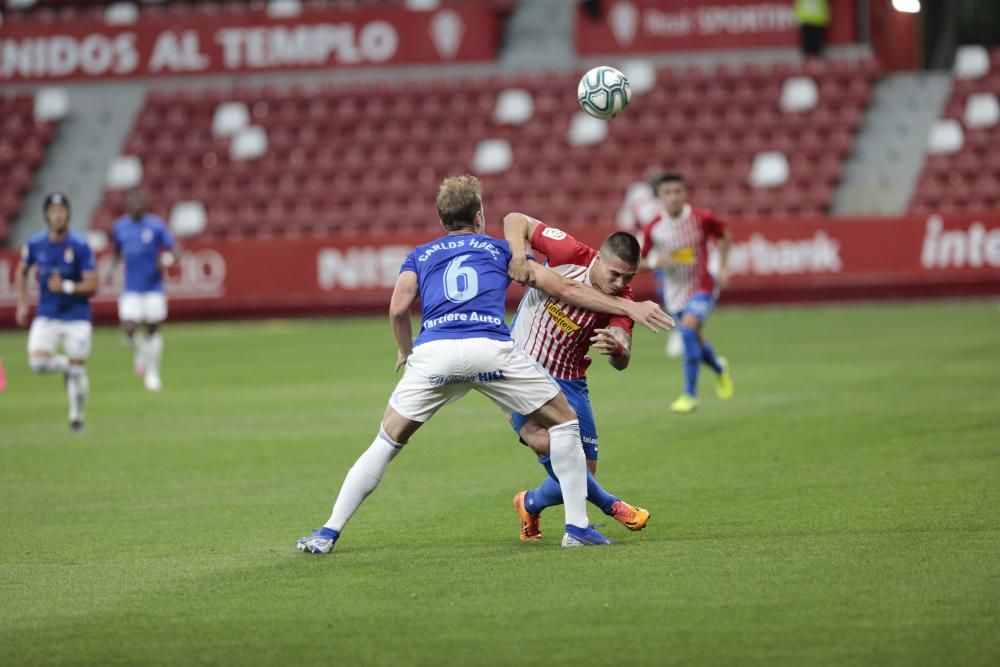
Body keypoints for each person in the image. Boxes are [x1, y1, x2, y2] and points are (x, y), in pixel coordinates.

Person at [296, 175, 673, 554]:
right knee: (565, 423)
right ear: (479, 216)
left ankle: (329, 531)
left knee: (387, 441)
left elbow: (397, 308)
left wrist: (404, 350)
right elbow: (567, 289)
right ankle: (577, 527)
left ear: (441, 218)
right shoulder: (499, 251)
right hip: (489, 349)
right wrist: (628, 306)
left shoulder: (420, 255)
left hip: (434, 352)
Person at [504, 212, 652, 541]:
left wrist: (617, 349)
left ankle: (529, 502)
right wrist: (518, 255)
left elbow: (623, 355)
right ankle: (612, 506)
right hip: (522, 368)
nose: (619, 284)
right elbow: (516, 219)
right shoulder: (569, 253)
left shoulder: (623, 302)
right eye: (615, 274)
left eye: (628, 278)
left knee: (581, 474)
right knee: (545, 441)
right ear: (599, 259)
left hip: (570, 380)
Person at [640, 172, 734, 415]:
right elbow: (637, 261)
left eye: (677, 191)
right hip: (675, 294)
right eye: (667, 193)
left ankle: (689, 394)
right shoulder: (653, 227)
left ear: (685, 194)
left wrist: (722, 267)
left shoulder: (701, 218)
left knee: (688, 329)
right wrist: (654, 261)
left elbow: (724, 235)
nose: (672, 197)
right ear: (659, 197)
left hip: (702, 287)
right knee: (696, 340)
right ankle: (719, 368)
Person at [14, 193, 98, 431]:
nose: (58, 215)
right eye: (53, 211)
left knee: (78, 369)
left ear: (68, 214)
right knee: (38, 364)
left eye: (61, 210)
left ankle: (76, 417)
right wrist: (22, 302)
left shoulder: (80, 245)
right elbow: (21, 271)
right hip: (48, 314)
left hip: (77, 317)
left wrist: (67, 287)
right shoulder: (35, 243)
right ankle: (65, 366)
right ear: (47, 215)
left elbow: (93, 285)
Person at [110, 187, 178, 392]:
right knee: (128, 330)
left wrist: (166, 260)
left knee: (152, 329)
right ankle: (140, 352)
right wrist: (112, 268)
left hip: (153, 288)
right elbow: (117, 251)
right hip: (131, 288)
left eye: (140, 200)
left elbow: (176, 250)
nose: (137, 204)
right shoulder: (119, 227)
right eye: (133, 201)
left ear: (145, 203)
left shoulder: (156, 226)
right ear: (128, 204)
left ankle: (152, 374)